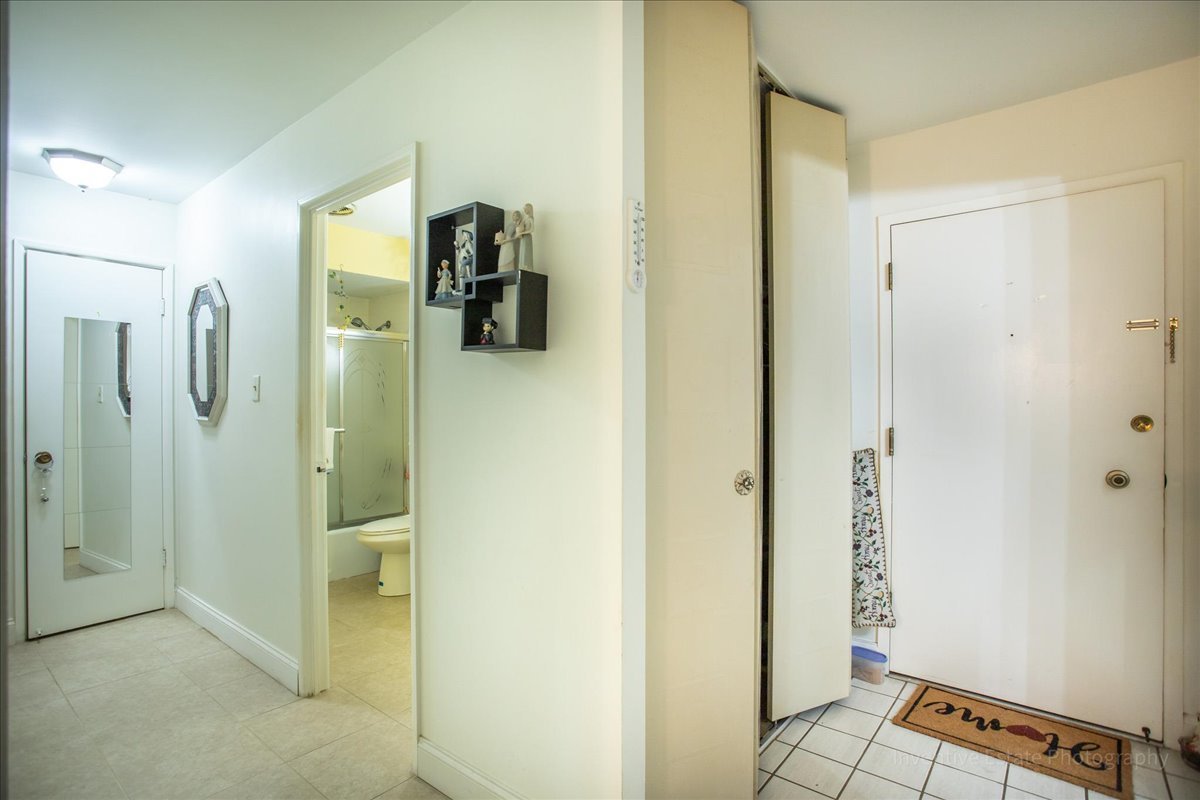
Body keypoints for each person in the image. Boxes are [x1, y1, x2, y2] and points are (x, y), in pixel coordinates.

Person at [516, 203, 534, 270]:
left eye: (526, 209)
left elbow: (532, 229)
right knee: (522, 252)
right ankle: (522, 267)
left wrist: (523, 232)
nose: (524, 210)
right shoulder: (525, 218)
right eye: (524, 209)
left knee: (526, 252)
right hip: (523, 237)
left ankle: (526, 267)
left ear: (529, 209)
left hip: (527, 237)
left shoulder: (531, 218)